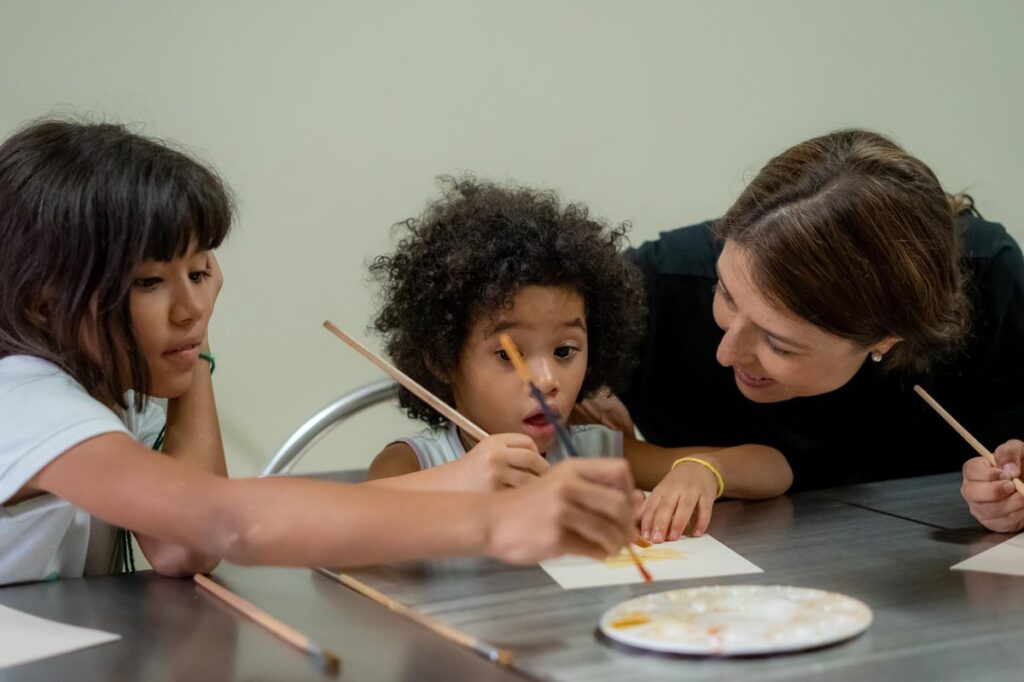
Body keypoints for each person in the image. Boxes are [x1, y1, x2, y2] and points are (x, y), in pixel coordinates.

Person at [0, 119, 639, 586]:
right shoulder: (28, 399)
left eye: (199, 273)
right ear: (43, 303)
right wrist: (487, 517)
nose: (192, 306)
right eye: (149, 282)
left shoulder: (115, 389)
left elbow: (176, 549)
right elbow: (219, 524)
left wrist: (192, 352)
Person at [574, 129, 1024, 531]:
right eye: (726, 293)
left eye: (777, 343)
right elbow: (516, 355)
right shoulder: (657, 284)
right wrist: (569, 373)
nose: (727, 353)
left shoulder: (991, 286)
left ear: (887, 337)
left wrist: (1010, 487)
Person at [366, 178, 792, 544]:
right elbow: (363, 529)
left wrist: (704, 470)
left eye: (565, 351)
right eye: (507, 354)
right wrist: (459, 485)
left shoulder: (591, 452)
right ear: (443, 358)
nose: (548, 380)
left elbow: (774, 469)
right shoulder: (413, 463)